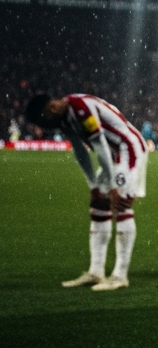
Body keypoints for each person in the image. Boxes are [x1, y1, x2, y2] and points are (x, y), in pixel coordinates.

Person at [25, 92, 148, 291]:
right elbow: (80, 151)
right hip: (111, 153)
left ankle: (120, 275)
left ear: (52, 100)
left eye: (51, 105)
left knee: (121, 203)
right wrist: (93, 185)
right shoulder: (64, 120)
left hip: (127, 148)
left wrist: (114, 186)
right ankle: (96, 272)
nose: (54, 109)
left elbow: (99, 145)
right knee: (98, 204)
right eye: (48, 113)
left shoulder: (81, 108)